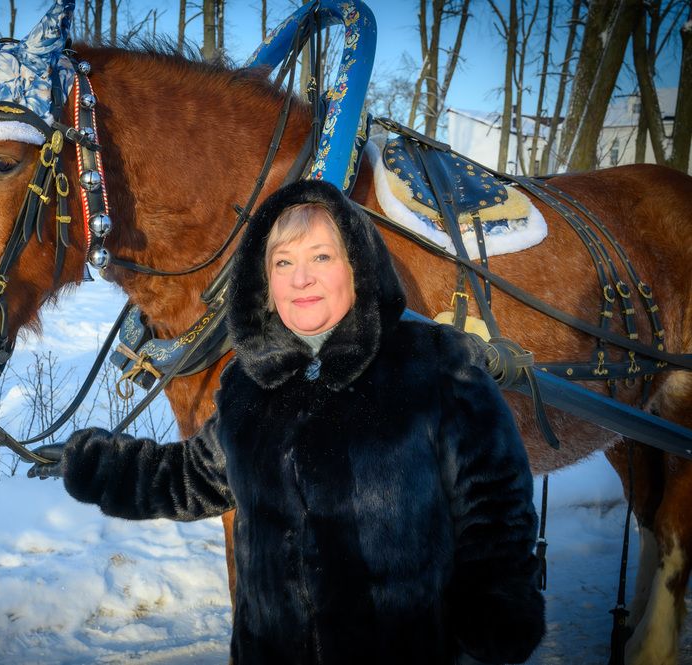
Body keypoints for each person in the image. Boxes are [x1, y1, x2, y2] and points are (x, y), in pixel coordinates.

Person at [28, 179, 545, 664]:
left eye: (321, 256)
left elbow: (495, 500)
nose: (301, 279)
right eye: (283, 261)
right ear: (265, 279)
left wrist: (494, 610)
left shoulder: (433, 366)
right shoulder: (250, 384)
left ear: (358, 265)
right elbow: (193, 477)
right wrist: (95, 465)